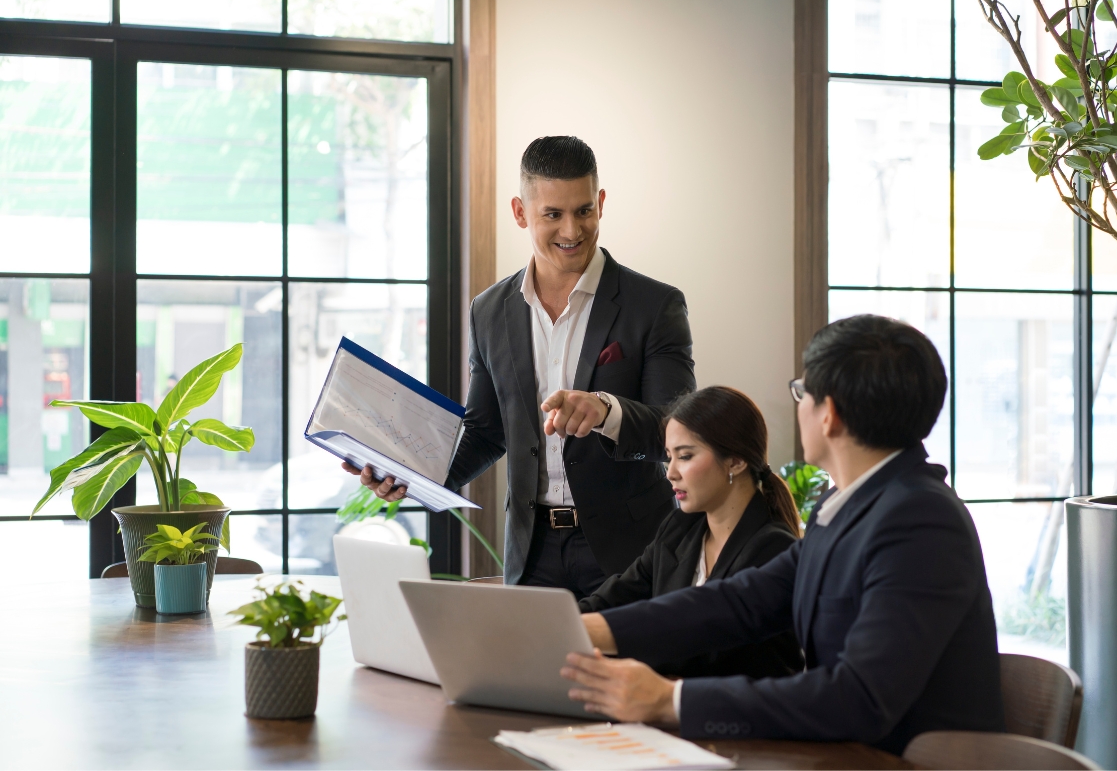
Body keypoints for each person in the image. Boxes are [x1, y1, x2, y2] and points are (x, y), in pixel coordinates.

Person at [560, 314, 1005, 755]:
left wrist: (668, 700)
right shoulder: (849, 503)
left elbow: (861, 697)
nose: (798, 405)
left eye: (801, 391)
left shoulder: (920, 520)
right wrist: (591, 628)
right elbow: (741, 600)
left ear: (828, 413)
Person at [348, 136, 695, 596]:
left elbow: (676, 433)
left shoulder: (655, 305)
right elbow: (486, 431)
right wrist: (411, 474)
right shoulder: (489, 310)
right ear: (520, 212)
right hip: (531, 554)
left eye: (584, 211)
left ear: (601, 203)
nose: (572, 230)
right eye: (552, 214)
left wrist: (606, 412)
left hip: (628, 551)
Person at [578, 386, 801, 680]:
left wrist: (606, 640)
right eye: (669, 456)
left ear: (736, 461)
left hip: (730, 718)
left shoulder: (773, 547)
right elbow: (613, 599)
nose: (670, 472)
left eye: (684, 456)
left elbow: (699, 646)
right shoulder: (678, 529)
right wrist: (556, 624)